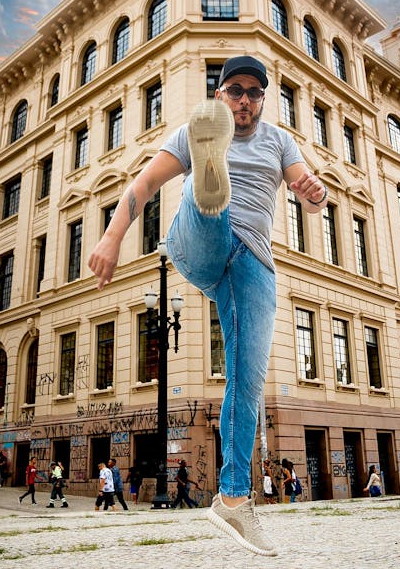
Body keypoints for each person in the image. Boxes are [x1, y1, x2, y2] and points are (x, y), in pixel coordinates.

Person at [88, 56, 328, 556]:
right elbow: (145, 186)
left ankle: (234, 499)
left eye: (253, 93)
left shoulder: (281, 140)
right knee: (204, 200)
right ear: (220, 95)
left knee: (248, 380)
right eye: (235, 90)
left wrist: (311, 191)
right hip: (200, 243)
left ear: (263, 99)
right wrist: (112, 238)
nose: (244, 99)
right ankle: (208, 184)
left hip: (253, 266)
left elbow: (306, 189)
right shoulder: (191, 128)